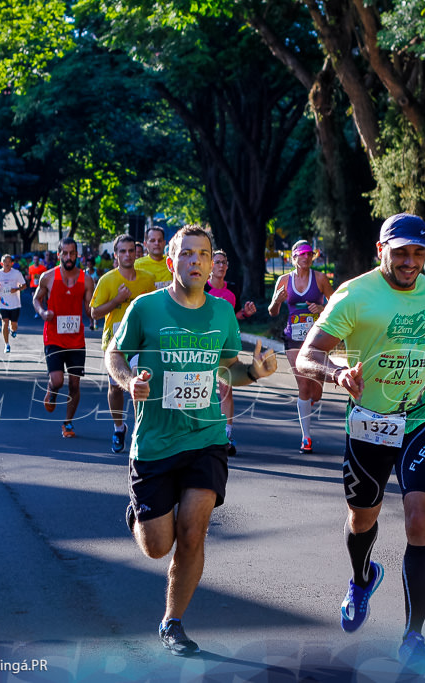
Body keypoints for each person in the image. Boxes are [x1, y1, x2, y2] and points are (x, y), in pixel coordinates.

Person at [295, 213, 425, 672]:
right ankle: (361, 577)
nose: (411, 262)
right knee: (361, 517)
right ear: (381, 251)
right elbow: (308, 353)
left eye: (418, 253)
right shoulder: (355, 293)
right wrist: (336, 373)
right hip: (370, 420)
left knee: (419, 517)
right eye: (401, 252)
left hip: (420, 417)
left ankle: (414, 634)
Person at [106, 226, 277, 656]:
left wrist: (254, 372)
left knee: (193, 531)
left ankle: (172, 622)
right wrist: (129, 383)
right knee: (157, 546)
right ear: (171, 262)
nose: (196, 262)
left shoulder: (221, 314)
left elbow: (228, 370)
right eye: (187, 254)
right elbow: (114, 353)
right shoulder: (146, 308)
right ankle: (139, 514)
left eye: (203, 255)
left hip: (206, 437)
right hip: (155, 442)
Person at [90, 234, 156, 453]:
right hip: (115, 344)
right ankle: (119, 427)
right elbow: (94, 313)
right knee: (116, 387)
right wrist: (117, 301)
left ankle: (140, 430)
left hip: (140, 341)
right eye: (122, 251)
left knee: (138, 380)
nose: (127, 255)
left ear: (136, 253)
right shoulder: (107, 280)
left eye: (131, 251)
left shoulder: (147, 279)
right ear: (116, 255)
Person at [267, 239, 335, 453]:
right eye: (303, 253)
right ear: (293, 257)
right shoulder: (284, 280)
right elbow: (272, 311)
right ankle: (306, 437)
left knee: (316, 392)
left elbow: (336, 307)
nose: (307, 257)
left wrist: (322, 308)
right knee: (304, 385)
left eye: (310, 253)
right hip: (293, 338)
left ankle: (307, 402)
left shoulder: (321, 279)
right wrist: (277, 301)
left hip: (316, 338)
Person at [33, 238, 95, 438]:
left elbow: (89, 309)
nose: (69, 257)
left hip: (76, 340)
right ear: (58, 254)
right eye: (65, 253)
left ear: (77, 254)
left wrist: (102, 310)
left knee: (75, 385)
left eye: (72, 253)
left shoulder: (86, 280)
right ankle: (52, 389)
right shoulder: (48, 277)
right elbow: (36, 299)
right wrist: (42, 313)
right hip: (54, 337)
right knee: (58, 380)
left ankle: (67, 423)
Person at [206, 249, 257, 447]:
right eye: (217, 262)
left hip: (227, 346)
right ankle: (204, 431)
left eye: (224, 262)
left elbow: (234, 317)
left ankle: (227, 434)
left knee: (226, 389)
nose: (221, 266)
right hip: (206, 345)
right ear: (210, 265)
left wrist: (245, 313)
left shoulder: (233, 289)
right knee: (204, 388)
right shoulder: (203, 288)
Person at [0, 254, 28, 353]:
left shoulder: (17, 273)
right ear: (1, 263)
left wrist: (17, 289)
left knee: (13, 324)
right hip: (2, 302)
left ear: (12, 263)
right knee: (5, 322)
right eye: (5, 262)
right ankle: (6, 344)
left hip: (15, 303)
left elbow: (24, 285)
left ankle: (13, 330)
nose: (7, 264)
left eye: (8, 262)